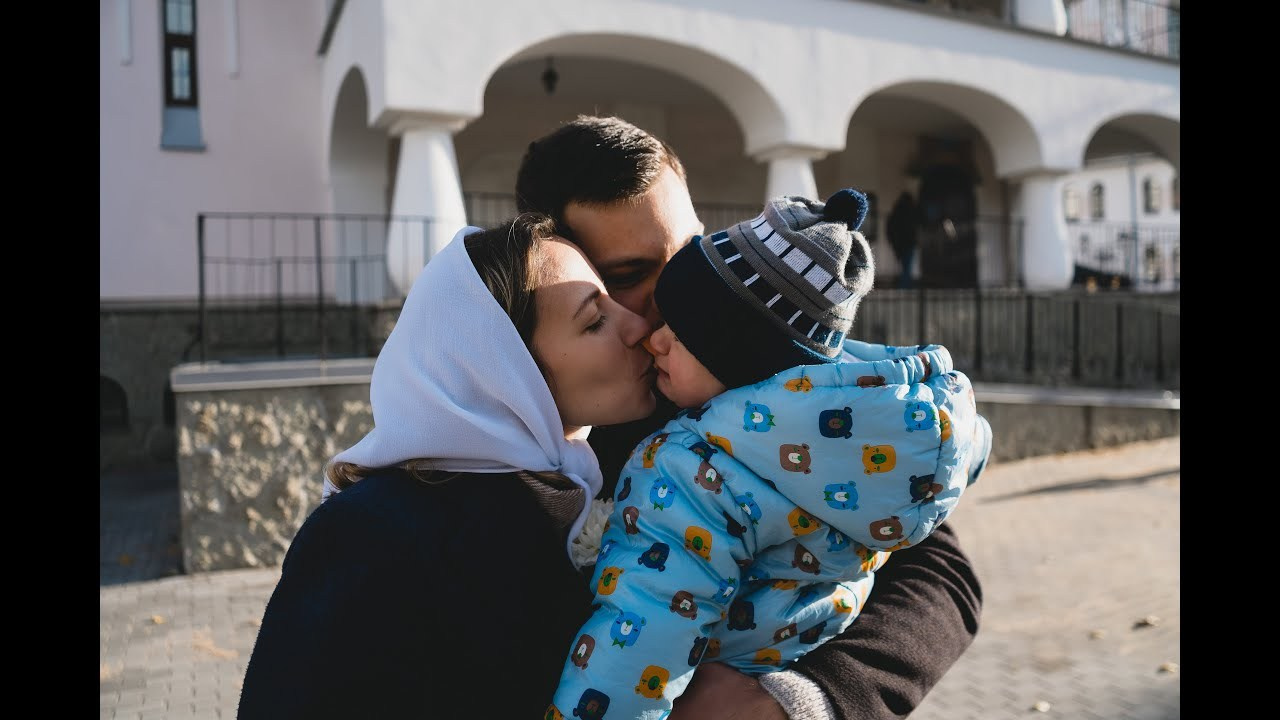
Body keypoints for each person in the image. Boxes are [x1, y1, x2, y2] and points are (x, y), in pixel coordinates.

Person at [517, 115, 984, 720]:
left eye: (690, 253)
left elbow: (940, 571)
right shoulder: (497, 443)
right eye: (629, 276)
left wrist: (801, 700)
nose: (681, 295)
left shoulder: (780, 368)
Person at [237, 214, 663, 718]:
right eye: (594, 320)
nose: (638, 326)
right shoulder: (370, 532)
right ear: (503, 371)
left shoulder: (576, 487)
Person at [886, 190, 919, 289]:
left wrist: (893, 242)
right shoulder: (912, 211)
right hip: (909, 243)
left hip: (898, 244)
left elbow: (890, 229)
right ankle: (904, 286)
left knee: (903, 266)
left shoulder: (896, 212)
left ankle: (903, 285)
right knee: (907, 266)